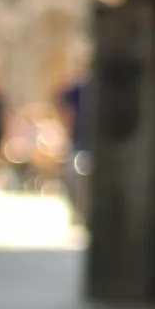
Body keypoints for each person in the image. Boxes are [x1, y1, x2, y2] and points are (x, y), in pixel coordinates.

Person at [56, 69, 90, 222]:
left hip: (90, 142)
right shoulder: (78, 88)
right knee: (73, 174)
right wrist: (66, 121)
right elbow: (60, 98)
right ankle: (76, 208)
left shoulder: (96, 87)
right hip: (78, 140)